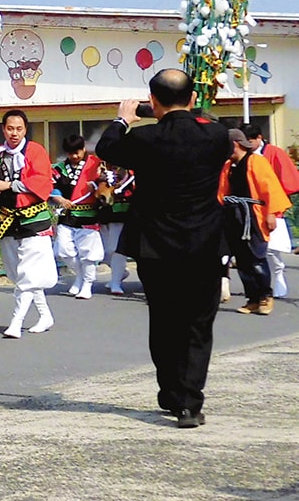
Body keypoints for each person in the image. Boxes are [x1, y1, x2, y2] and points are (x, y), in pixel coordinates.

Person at [96, 69, 231, 428]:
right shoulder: (216, 135)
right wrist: (177, 110)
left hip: (157, 246)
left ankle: (171, 392)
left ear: (152, 100)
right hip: (203, 244)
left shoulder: (145, 138)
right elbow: (203, 120)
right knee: (198, 325)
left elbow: (105, 148)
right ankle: (189, 402)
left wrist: (124, 119)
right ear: (191, 99)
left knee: (165, 321)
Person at [0, 109, 57, 338]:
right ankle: (45, 315)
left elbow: (41, 181)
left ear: (25, 129)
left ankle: (16, 322)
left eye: (19, 129)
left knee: (29, 273)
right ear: (3, 129)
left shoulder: (35, 151)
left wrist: (10, 186)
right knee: (18, 273)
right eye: (10, 128)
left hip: (33, 220)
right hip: (8, 220)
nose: (14, 133)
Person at [218, 129, 290, 316]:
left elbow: (270, 187)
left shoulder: (256, 162)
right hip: (234, 214)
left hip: (253, 214)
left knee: (256, 257)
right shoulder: (228, 165)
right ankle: (252, 298)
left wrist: (272, 213)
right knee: (241, 261)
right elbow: (222, 192)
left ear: (236, 144)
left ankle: (266, 295)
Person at [240, 123, 299, 297]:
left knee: (272, 249)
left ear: (259, 138)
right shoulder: (243, 154)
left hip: (271, 205)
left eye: (251, 140)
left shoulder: (274, 153)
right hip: (248, 207)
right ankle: (259, 287)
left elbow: (288, 180)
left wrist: (274, 202)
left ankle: (278, 276)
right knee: (253, 252)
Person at [50, 134, 105, 299]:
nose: (74, 156)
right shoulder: (60, 168)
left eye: (77, 152)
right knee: (63, 250)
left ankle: (87, 283)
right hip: (67, 215)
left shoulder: (95, 165)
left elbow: (105, 185)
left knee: (88, 253)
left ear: (83, 149)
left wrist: (95, 186)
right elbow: (53, 186)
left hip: (88, 215)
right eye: (70, 153)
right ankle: (80, 275)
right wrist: (58, 198)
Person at [96, 163, 135, 295]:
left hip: (125, 214)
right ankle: (120, 273)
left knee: (116, 248)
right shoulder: (104, 171)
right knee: (105, 251)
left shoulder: (131, 173)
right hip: (105, 214)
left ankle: (115, 281)